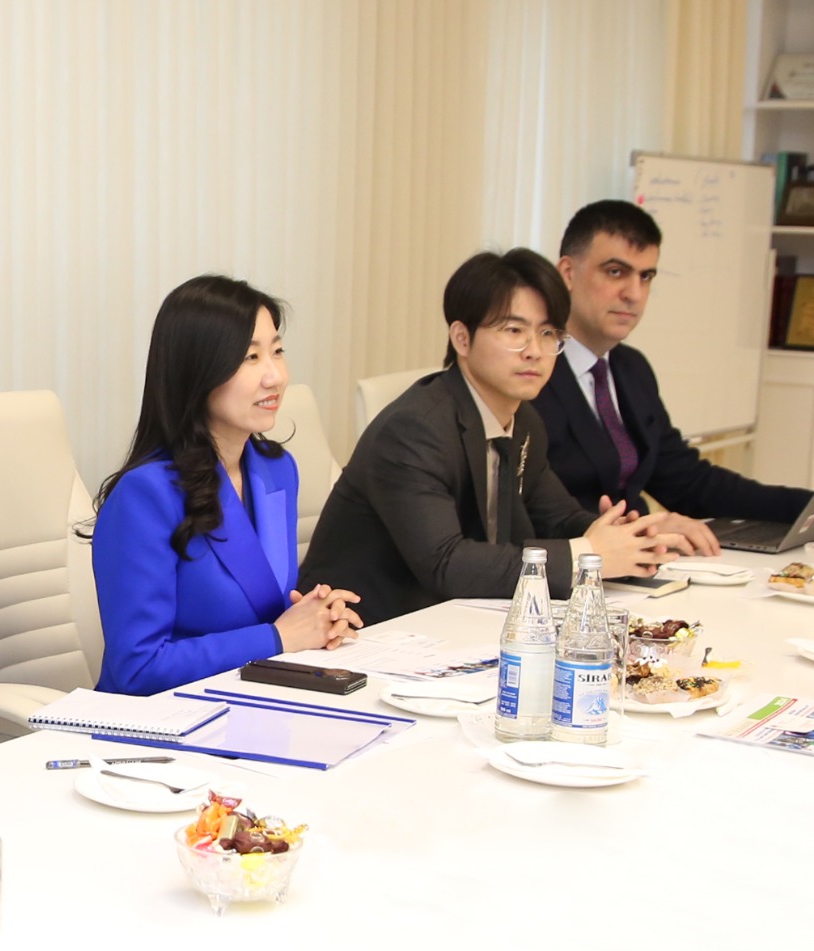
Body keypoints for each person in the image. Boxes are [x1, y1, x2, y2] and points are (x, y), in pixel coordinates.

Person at [299, 249, 681, 627]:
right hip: (362, 632)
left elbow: (557, 518)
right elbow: (446, 562)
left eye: (548, 333)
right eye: (514, 331)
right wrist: (588, 553)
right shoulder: (414, 430)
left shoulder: (523, 419)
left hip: (456, 623)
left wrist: (628, 538)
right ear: (462, 339)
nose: (535, 351)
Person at [90, 275, 362, 697]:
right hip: (165, 719)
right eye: (250, 357)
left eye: (277, 351)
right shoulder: (145, 495)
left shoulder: (277, 470)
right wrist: (280, 637)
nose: (275, 376)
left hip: (251, 698)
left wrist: (315, 617)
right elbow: (136, 669)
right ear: (197, 372)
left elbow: (262, 605)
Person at [534, 199, 812, 553]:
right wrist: (643, 529)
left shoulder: (631, 369)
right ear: (568, 273)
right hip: (569, 570)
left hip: (643, 567)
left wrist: (804, 507)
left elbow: (688, 482)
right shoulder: (531, 372)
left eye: (645, 276)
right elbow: (533, 510)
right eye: (615, 272)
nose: (634, 294)